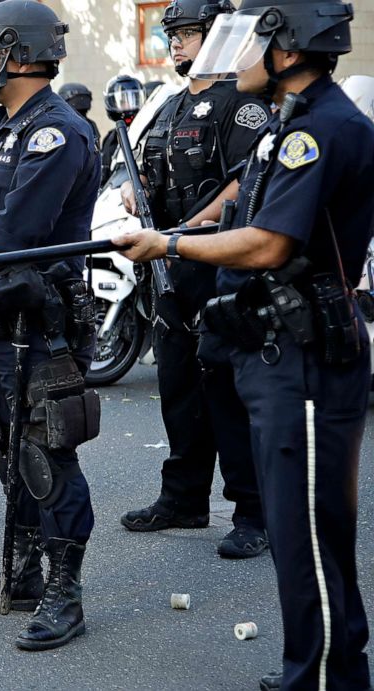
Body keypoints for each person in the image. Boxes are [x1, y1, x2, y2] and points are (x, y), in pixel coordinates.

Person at [115, 0, 371, 686]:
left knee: (310, 536)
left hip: (310, 356)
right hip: (281, 347)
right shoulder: (292, 123)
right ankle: (319, 666)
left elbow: (266, 241)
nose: (233, 58)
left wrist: (170, 241)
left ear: (286, 51)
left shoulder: (315, 131)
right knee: (298, 532)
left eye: (247, 43)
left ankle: (323, 676)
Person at [0, 0, 101, 650]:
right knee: (7, 446)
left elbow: (13, 235)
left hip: (44, 321)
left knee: (44, 451)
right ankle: (25, 571)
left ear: (18, 54)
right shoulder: (8, 130)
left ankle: (66, 589)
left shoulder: (54, 132)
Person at [118, 0, 268, 559]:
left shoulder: (242, 103)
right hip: (169, 264)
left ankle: (253, 512)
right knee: (179, 384)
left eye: (187, 33)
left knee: (226, 389)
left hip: (217, 262)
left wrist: (188, 228)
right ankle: (183, 497)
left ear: (218, 34)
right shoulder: (172, 103)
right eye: (172, 33)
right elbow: (144, 166)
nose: (176, 43)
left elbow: (245, 183)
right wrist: (136, 192)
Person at [100, 75, 144, 184]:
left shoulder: (146, 133)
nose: (129, 106)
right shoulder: (110, 139)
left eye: (133, 100)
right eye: (123, 102)